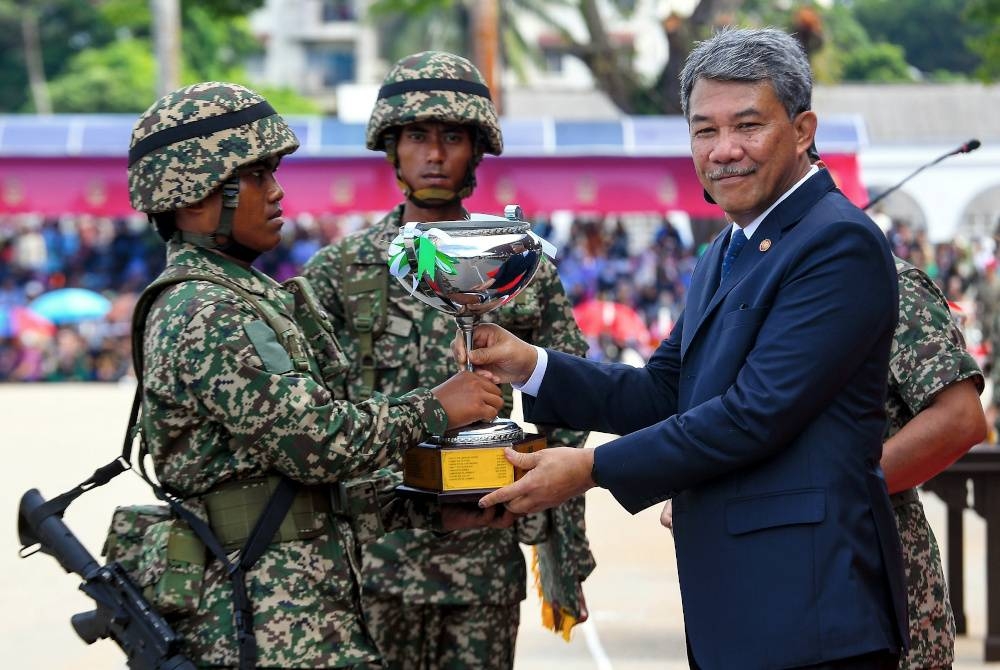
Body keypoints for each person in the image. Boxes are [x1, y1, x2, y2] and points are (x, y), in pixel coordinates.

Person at [469, 27, 908, 669]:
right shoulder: (725, 250)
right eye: (705, 130)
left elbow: (754, 414)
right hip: (739, 613)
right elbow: (662, 393)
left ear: (804, 128)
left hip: (812, 613)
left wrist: (591, 468)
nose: (724, 150)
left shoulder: (836, 243)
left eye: (748, 126)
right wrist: (527, 364)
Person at [127, 81, 507, 669]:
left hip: (291, 608)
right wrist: (437, 407)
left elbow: (291, 491)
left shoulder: (241, 297)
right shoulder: (208, 310)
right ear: (199, 193)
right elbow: (318, 444)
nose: (278, 194)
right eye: (257, 177)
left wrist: (426, 506)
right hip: (261, 620)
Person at [302, 50, 595, 670]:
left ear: (477, 150)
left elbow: (574, 388)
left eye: (452, 137)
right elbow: (308, 413)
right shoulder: (337, 271)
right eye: (416, 136)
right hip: (373, 558)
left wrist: (539, 488)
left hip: (483, 555)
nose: (434, 154)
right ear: (391, 148)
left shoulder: (516, 262)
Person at [662, 154, 988, 669]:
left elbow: (959, 418)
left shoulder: (882, 280)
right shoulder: (742, 288)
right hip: (770, 576)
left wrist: (844, 491)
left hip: (868, 569)